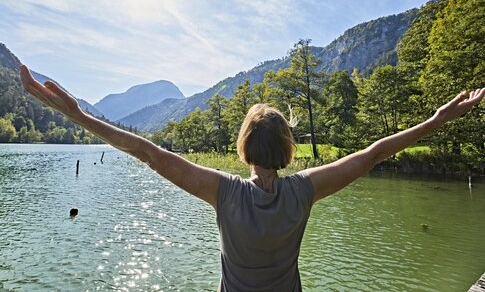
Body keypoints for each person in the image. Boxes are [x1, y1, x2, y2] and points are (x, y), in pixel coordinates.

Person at [19, 65, 484, 291]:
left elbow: (147, 151)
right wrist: (439, 119)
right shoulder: (304, 191)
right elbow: (373, 153)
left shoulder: (223, 193)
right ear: (288, 151)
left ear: (243, 149)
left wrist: (81, 118)